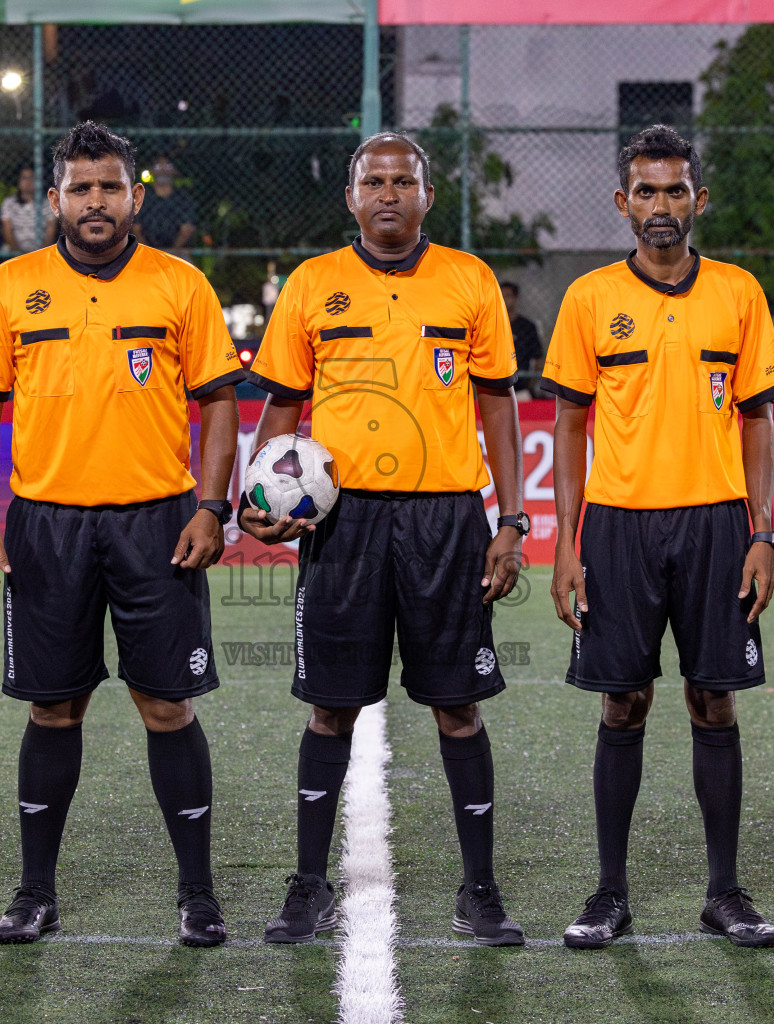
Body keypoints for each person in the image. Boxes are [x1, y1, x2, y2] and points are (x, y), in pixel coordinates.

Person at [0, 121, 244, 948]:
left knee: (166, 705)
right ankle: (34, 894)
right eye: (80, 188)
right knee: (53, 709)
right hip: (46, 527)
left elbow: (219, 401)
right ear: (54, 200)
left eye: (110, 187)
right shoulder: (10, 287)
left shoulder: (180, 285)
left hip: (160, 522)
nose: (95, 201)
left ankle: (198, 894)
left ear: (135, 196)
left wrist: (212, 506)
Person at [243, 131, 527, 947]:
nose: (390, 193)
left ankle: (480, 891)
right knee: (330, 710)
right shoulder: (312, 285)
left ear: (427, 196)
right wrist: (256, 497)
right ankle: (307, 887)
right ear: (352, 196)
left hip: (446, 520)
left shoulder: (469, 281)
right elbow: (283, 409)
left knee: (458, 709)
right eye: (375, 180)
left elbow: (499, 407)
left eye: (405, 180)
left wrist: (509, 519)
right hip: (343, 523)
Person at [542, 124, 774, 951]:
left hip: (720, 524)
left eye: (675, 190)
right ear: (622, 203)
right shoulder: (587, 299)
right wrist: (566, 542)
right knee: (624, 701)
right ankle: (610, 892)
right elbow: (568, 423)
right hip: (617, 526)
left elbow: (758, 421)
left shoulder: (740, 294)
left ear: (698, 199)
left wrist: (765, 533)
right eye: (645, 192)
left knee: (713, 699)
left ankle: (724, 892)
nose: (661, 206)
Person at [135, 158, 197, 250]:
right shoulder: (143, 197)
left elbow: (187, 229)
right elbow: (136, 229)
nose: (163, 170)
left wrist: (172, 252)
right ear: (151, 171)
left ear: (175, 171)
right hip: (147, 249)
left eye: (168, 166)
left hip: (177, 250)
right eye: (158, 166)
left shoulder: (182, 198)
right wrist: (150, 253)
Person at [500, 280, 543, 397]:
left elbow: (537, 358)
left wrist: (531, 384)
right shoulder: (492, 325)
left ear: (515, 298)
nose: (504, 299)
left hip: (521, 387)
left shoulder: (527, 326)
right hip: (496, 385)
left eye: (508, 296)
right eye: (501, 296)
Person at [0, 166, 56, 254]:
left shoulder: (47, 203)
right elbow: (7, 230)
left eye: (32, 178)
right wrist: (17, 254)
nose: (28, 182)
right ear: (18, 181)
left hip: (40, 252)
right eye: (24, 178)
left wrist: (41, 254)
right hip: (14, 252)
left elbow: (51, 230)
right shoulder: (9, 203)